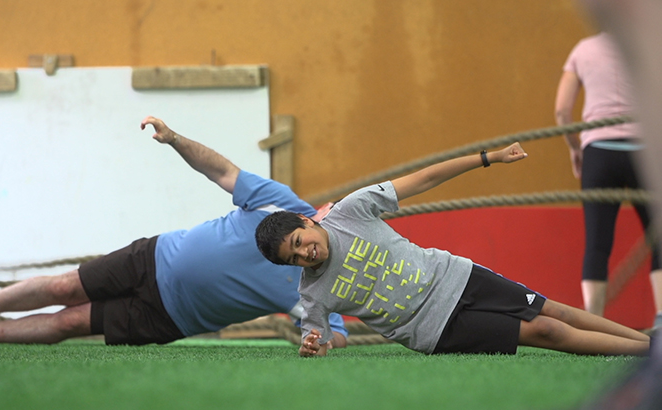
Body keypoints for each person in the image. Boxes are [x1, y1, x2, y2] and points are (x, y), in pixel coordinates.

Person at [0, 116, 348, 347]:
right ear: (316, 217)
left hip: (168, 317)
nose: (308, 251)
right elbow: (222, 171)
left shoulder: (319, 291)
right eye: (331, 218)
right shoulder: (283, 203)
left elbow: (334, 336)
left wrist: (321, 342)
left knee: (69, 325)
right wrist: (174, 139)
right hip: (154, 258)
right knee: (62, 287)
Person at [255, 143, 651, 357]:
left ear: (305, 222)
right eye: (293, 258)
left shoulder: (350, 211)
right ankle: (650, 359)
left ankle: (652, 345)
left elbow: (424, 177)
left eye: (298, 242)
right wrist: (317, 346)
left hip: (456, 277)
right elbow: (328, 339)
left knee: (555, 310)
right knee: (546, 331)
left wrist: (488, 158)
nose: (303, 254)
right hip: (437, 330)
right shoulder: (312, 294)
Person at [554, 31, 662, 323]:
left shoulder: (583, 49)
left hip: (598, 153)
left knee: (597, 244)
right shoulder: (647, 41)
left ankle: (595, 322)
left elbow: (562, 110)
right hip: (645, 151)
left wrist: (575, 148)